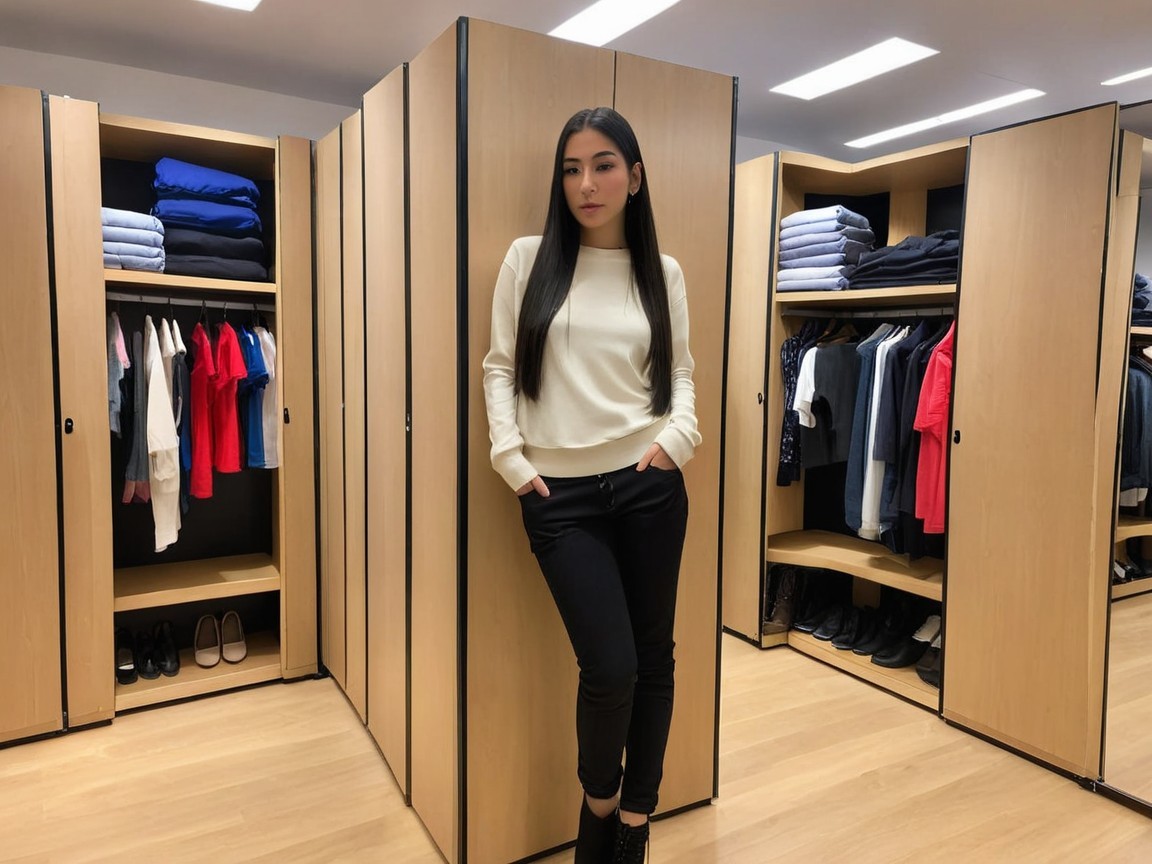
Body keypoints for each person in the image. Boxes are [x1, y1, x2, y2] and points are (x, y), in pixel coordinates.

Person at [482, 106, 701, 864]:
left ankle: (635, 829)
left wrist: (678, 439)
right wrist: (511, 460)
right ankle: (599, 811)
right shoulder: (528, 258)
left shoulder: (661, 273)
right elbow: (501, 367)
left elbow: (678, 374)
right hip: (560, 499)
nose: (587, 183)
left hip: (648, 484)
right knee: (611, 669)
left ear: (635, 178)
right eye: (572, 168)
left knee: (655, 658)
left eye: (604, 165)